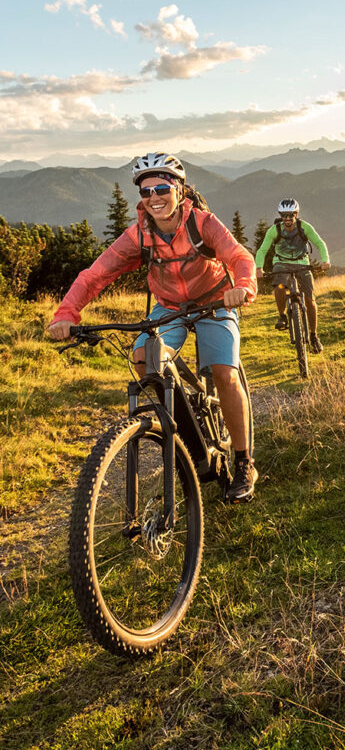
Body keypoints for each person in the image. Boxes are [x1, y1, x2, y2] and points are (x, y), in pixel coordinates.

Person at [48, 152, 260, 502]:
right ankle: (186, 437)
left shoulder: (203, 223)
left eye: (161, 188)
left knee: (224, 372)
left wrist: (243, 286)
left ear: (179, 190)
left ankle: (243, 462)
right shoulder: (138, 235)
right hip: (169, 307)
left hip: (215, 300)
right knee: (144, 359)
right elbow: (95, 275)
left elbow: (239, 256)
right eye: (146, 192)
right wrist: (66, 315)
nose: (154, 198)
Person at [255, 198, 330, 353]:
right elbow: (262, 250)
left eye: (291, 215)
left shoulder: (305, 227)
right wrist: (258, 268)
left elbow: (320, 243)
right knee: (280, 286)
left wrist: (325, 260)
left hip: (302, 263)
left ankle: (314, 336)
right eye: (284, 216)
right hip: (281, 263)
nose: (287, 219)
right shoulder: (274, 230)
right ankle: (282, 316)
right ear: (281, 216)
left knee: (310, 300)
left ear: (296, 214)